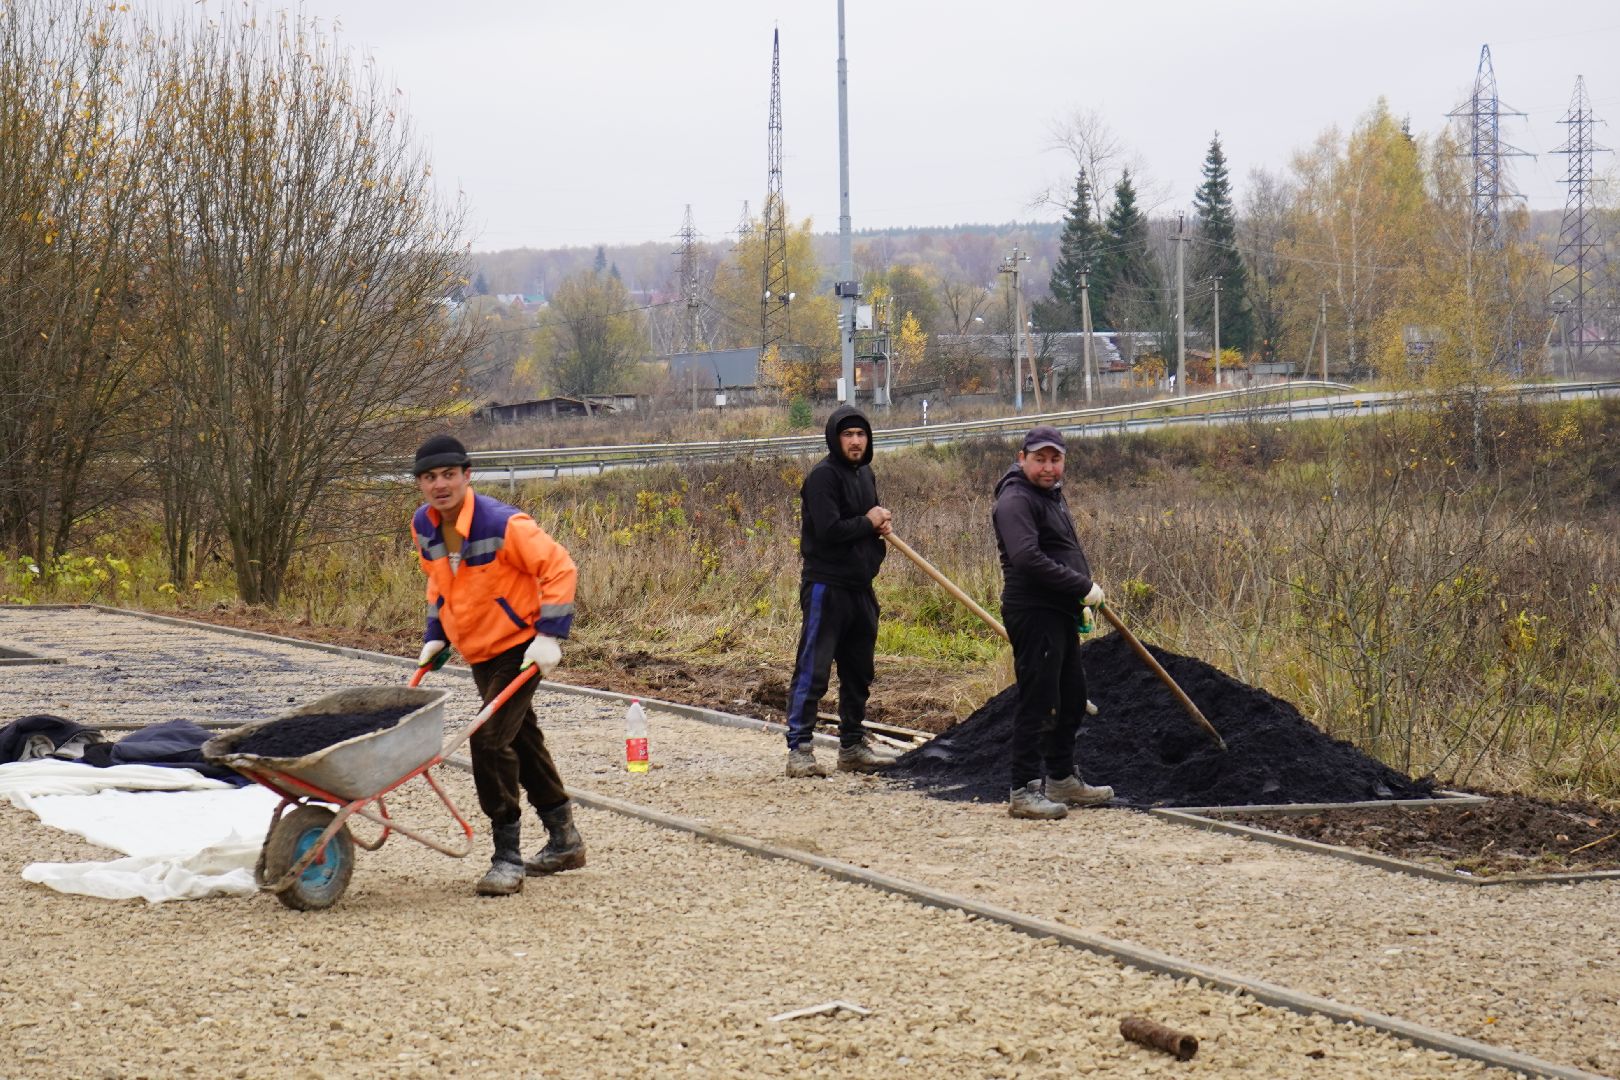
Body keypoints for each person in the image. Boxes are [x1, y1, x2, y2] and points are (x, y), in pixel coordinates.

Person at [410, 434, 587, 895]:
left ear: (467, 476)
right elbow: (439, 583)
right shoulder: (424, 526)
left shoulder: (503, 523)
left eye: (449, 474)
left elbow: (560, 568)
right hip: (479, 651)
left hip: (520, 648)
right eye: (430, 477)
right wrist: (436, 634)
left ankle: (506, 856)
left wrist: (549, 635)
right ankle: (564, 839)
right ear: (420, 484)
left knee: (488, 741)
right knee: (520, 739)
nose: (440, 485)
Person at [991, 425, 1115, 820]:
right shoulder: (1015, 500)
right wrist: (1082, 586)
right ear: (1022, 458)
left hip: (1058, 610)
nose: (1048, 467)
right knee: (1039, 700)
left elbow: (1058, 551)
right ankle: (1023, 790)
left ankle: (1061, 779)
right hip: (1034, 611)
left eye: (1055, 459)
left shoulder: (1048, 496)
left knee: (1072, 697)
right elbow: (1027, 558)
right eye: (1040, 459)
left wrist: (1074, 599)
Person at [783, 406, 902, 778]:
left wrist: (877, 531)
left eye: (860, 434)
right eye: (848, 434)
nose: (855, 441)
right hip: (826, 585)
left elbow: (865, 524)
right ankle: (800, 749)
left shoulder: (865, 474)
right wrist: (868, 521)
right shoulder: (823, 477)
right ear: (835, 439)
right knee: (814, 669)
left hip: (860, 587)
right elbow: (829, 530)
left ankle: (851, 747)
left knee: (858, 672)